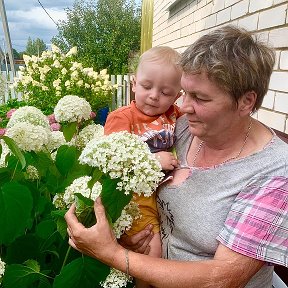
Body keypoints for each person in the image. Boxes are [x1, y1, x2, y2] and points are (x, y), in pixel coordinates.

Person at [65, 25, 288, 288]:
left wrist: (112, 254)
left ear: (246, 102)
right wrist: (128, 234)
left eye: (200, 98)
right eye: (185, 92)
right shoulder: (180, 126)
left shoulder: (275, 172)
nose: (183, 107)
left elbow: (222, 279)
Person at [104, 46, 182, 287]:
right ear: (134, 84)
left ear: (177, 96)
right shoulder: (122, 117)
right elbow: (113, 158)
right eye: (147, 87)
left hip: (161, 194)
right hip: (135, 197)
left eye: (166, 92)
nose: (154, 96)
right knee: (152, 250)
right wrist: (153, 159)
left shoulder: (173, 114)